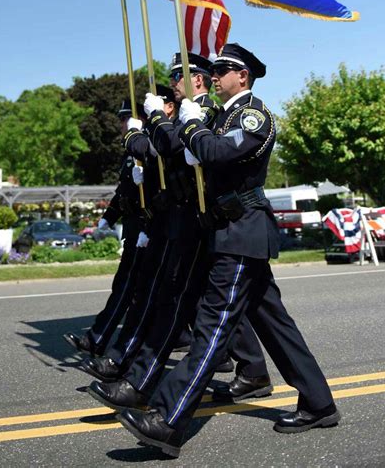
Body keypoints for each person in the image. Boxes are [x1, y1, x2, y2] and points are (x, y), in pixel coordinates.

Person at [117, 43, 340, 458]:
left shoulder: (252, 115)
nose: (214, 77)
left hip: (242, 233)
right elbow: (184, 152)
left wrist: (189, 123)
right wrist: (166, 122)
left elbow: (215, 153)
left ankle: (168, 418)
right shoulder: (220, 117)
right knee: (276, 326)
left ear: (244, 75)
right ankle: (319, 403)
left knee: (213, 326)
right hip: (230, 232)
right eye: (214, 70)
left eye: (222, 70)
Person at [86, 52, 272, 411]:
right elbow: (166, 151)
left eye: (179, 79)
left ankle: (142, 381)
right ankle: (257, 373)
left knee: (177, 302)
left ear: (196, 79)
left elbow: (172, 147)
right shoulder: (202, 113)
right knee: (210, 305)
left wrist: (152, 121)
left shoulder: (210, 113)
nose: (173, 87)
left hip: (202, 221)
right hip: (183, 219)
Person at [63, 99, 152, 357]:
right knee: (135, 288)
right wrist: (107, 219)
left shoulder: (147, 146)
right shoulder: (131, 150)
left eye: (126, 118)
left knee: (129, 286)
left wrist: (147, 224)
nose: (122, 123)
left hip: (147, 228)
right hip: (136, 228)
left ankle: (97, 339)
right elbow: (123, 192)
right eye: (122, 118)